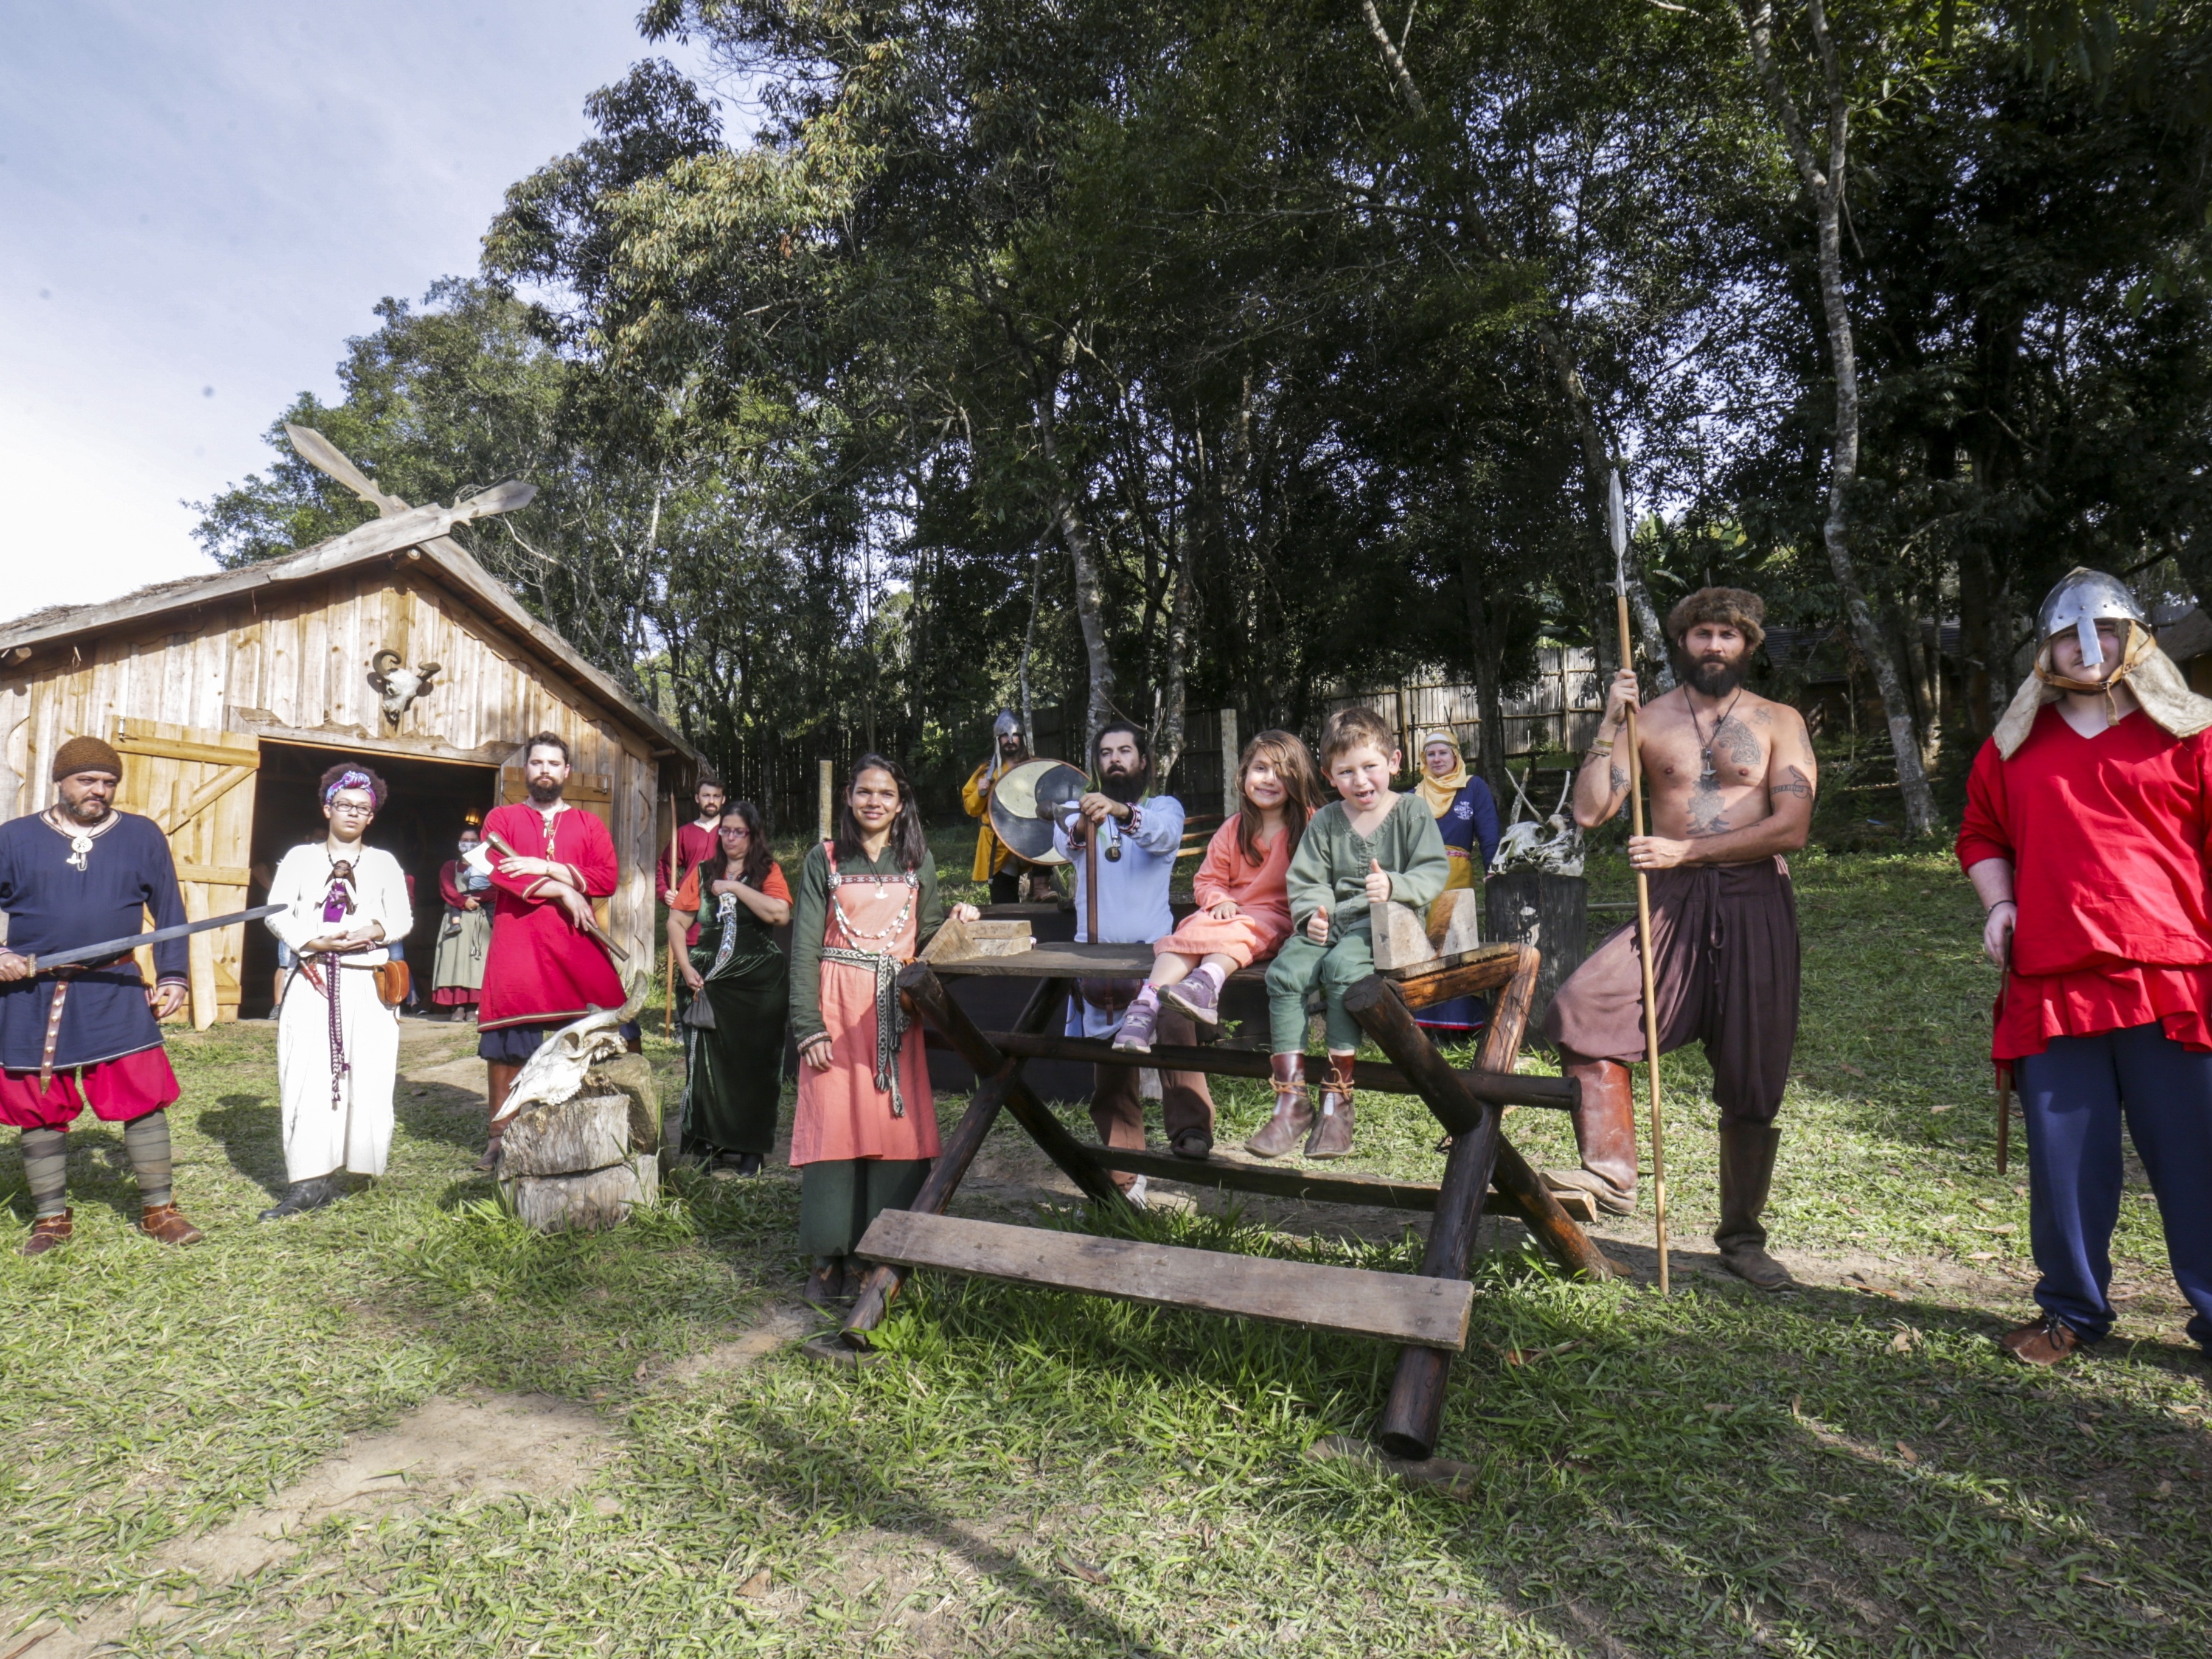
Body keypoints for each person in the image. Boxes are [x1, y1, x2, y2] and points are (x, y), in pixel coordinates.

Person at [1958, 568, 2212, 1367]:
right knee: (2068, 1163)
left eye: (2102, 629)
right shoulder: (2012, 747)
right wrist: (2000, 905)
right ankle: (2070, 1311)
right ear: (2046, 651)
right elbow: (1981, 835)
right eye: (2068, 634)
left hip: (2168, 977)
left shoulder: (2192, 735)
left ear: (2136, 638)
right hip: (2053, 981)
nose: (2086, 647)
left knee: (2196, 1155)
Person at [1537, 586, 1815, 1289]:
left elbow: (1793, 826)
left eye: (1728, 634)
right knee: (1583, 1006)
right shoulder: (1648, 720)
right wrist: (1608, 722)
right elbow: (1594, 810)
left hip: (1755, 898)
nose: (1714, 645)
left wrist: (1686, 852)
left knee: (1755, 1075)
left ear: (1749, 645)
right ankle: (1611, 1171)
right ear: (1681, 643)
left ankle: (1743, 1239)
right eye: (1702, 634)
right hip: (1670, 902)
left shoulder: (1780, 721)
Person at [788, 755, 978, 1308]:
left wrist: (958, 920)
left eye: (886, 794)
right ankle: (829, 1258)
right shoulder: (823, 859)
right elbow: (803, 946)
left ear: (901, 804)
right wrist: (807, 1024)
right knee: (834, 1125)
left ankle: (876, 1253)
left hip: (894, 1012)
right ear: (849, 797)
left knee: (891, 1126)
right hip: (835, 1006)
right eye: (865, 792)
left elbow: (929, 935)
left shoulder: (918, 861)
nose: (874, 801)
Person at [0, 736, 202, 1253]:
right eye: (87, 780)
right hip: (34, 990)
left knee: (141, 1094)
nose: (100, 790)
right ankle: (50, 1218)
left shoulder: (140, 835)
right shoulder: (15, 839)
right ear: (60, 781)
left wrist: (174, 973)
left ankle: (159, 1209)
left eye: (109, 782)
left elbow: (170, 912)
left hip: (114, 985)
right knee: (39, 1102)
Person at [1257, 708, 1449, 1159]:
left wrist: (1396, 886)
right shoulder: (1325, 821)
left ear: (1395, 762)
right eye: (1345, 772)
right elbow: (1306, 879)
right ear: (1328, 775)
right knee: (1286, 972)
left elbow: (1432, 869)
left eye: (1370, 767)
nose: (1360, 780)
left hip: (1388, 924)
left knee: (1344, 967)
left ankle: (1337, 1098)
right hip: (1333, 920)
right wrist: (1312, 914)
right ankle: (1290, 1100)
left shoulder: (1411, 811)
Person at [1054, 721, 1216, 1184]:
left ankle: (1191, 1133)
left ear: (1143, 761)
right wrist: (1087, 818)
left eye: (1125, 751)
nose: (1116, 760)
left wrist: (1121, 812)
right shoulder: (1076, 814)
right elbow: (1065, 843)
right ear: (1097, 764)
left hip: (1158, 958)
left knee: (1175, 1035)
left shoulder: (1164, 807)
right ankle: (1126, 1171)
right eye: (1106, 753)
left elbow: (1162, 835)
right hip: (1097, 960)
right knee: (1111, 1069)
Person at [260, 765, 413, 1220]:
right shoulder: (301, 859)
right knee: (307, 1074)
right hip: (313, 977)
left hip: (366, 977)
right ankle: (309, 1180)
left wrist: (375, 928)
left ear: (372, 817)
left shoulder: (384, 862)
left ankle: (359, 1162)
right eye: (345, 805)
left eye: (363, 809)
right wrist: (311, 940)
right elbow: (276, 912)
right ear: (327, 808)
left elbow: (402, 918)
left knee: (367, 1071)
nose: (353, 813)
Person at [475, 732, 625, 1171]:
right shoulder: (502, 818)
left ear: (566, 772)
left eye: (552, 763)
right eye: (536, 763)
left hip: (575, 941)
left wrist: (547, 866)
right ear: (527, 770)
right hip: (518, 942)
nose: (544, 770)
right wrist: (562, 888)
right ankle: (500, 1136)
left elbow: (606, 878)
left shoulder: (587, 824)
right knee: (507, 1042)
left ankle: (608, 1124)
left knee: (610, 1025)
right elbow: (496, 869)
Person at [1114, 730, 1321, 1048]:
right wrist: (1219, 898)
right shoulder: (1234, 827)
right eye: (1261, 768)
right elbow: (1207, 879)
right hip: (1229, 913)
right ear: (1245, 774)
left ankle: (1205, 982)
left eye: (1281, 771)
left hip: (1276, 918)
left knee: (1239, 929)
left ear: (1299, 777)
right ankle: (1145, 1006)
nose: (1269, 779)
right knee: (1188, 931)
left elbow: (1324, 874)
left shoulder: (1311, 824)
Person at [669, 800, 791, 1175]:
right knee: (707, 1066)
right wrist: (686, 966)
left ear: (753, 836)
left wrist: (735, 889)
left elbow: (779, 914)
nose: (730, 838)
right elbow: (676, 922)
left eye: (739, 831)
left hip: (757, 984)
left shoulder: (767, 871)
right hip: (706, 981)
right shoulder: (704, 872)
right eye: (725, 830)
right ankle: (710, 1143)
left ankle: (750, 1149)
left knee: (753, 1064)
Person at [1413, 727, 1502, 1038]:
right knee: (1422, 948)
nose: (1437, 759)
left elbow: (1489, 833)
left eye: (1443, 753)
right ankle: (1423, 1026)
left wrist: (1494, 870)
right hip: (1420, 881)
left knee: (1455, 944)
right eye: (1431, 754)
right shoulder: (1414, 795)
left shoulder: (1473, 788)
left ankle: (1460, 1027)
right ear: (1424, 760)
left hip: (1457, 877)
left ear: (1456, 756)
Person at [962, 711, 1052, 903]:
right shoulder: (986, 772)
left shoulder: (1036, 766)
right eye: (1004, 736)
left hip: (1031, 838)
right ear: (998, 740)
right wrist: (980, 793)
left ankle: (1040, 888)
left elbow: (1051, 797)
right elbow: (971, 809)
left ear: (1021, 738)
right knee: (1004, 903)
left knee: (1047, 832)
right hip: (1000, 843)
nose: (1010, 740)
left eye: (1014, 735)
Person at [658, 776, 728, 953]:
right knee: (691, 970)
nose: (711, 801)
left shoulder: (732, 833)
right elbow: (665, 865)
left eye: (716, 796)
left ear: (723, 799)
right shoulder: (684, 833)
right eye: (706, 795)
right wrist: (665, 891)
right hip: (691, 911)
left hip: (725, 909)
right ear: (697, 798)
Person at [432, 821, 493, 1021]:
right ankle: (456, 1007)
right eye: (465, 841)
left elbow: (497, 888)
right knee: (454, 962)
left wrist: (478, 900)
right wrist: (462, 901)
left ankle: (472, 1007)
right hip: (455, 920)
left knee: (476, 964)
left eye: (473, 841)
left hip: (479, 920)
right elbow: (447, 888)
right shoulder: (451, 866)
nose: (469, 844)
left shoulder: (488, 867)